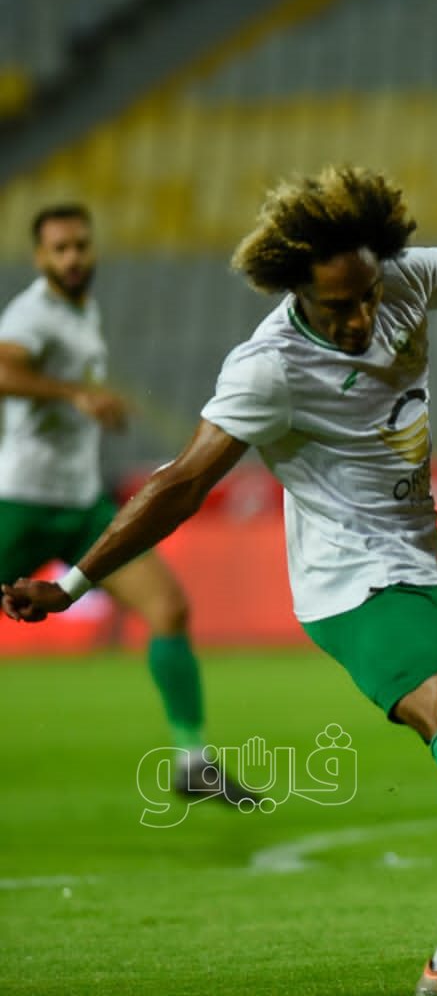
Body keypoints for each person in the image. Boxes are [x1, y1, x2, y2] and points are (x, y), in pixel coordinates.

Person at [2, 168, 437, 996]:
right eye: (339, 307)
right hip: (348, 583)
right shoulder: (268, 370)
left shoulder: (402, 279)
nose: (362, 318)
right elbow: (182, 484)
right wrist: (74, 583)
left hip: (423, 567)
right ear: (297, 291)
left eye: (366, 296)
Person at [0, 204, 253, 804]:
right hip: (22, 502)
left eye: (80, 245)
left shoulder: (81, 312)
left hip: (81, 505)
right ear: (39, 257)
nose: (73, 258)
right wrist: (76, 394)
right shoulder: (32, 314)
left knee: (167, 608)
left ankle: (192, 762)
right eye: (60, 248)